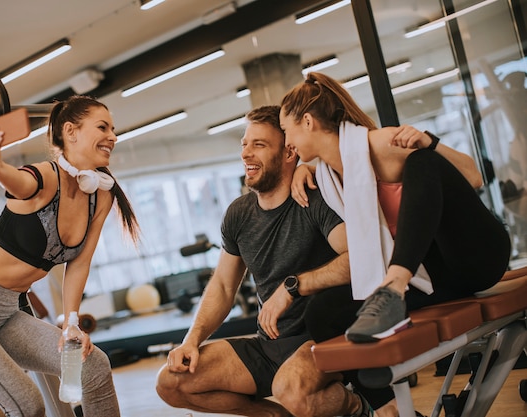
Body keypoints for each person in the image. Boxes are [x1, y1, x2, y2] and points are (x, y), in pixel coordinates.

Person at [156, 105, 398, 417]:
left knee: (291, 391)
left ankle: (356, 406)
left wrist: (293, 287)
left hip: (319, 339)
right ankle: (272, 415)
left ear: (288, 153)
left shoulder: (313, 197)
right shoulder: (238, 214)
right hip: (269, 344)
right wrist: (191, 341)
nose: (246, 154)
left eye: (259, 145)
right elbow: (223, 285)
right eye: (244, 144)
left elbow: (358, 258)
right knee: (171, 382)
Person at [0, 96, 139, 417]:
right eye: (102, 127)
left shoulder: (100, 195)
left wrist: (72, 324)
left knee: (91, 366)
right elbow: (18, 181)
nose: (112, 137)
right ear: (71, 131)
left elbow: (79, 263)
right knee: (27, 404)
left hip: (6, 313)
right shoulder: (45, 178)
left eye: (113, 129)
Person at [280, 72, 511, 344]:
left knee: (422, 161)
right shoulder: (327, 178)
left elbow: (474, 177)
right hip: (434, 276)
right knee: (323, 311)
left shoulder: (383, 144)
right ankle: (376, 385)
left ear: (307, 121)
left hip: (478, 255)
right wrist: (302, 170)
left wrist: (430, 143)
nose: (287, 143)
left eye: (286, 131)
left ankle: (392, 287)